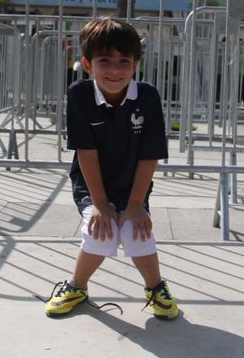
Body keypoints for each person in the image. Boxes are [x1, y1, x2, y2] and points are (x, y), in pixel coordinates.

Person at [44, 17, 179, 320]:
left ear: (135, 64)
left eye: (124, 61)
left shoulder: (147, 96)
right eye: (105, 60)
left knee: (135, 229)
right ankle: (76, 286)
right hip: (92, 184)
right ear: (87, 64)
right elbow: (86, 152)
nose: (115, 70)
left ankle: (156, 288)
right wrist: (101, 205)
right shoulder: (79, 94)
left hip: (132, 184)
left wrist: (135, 205)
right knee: (100, 231)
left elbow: (149, 155)